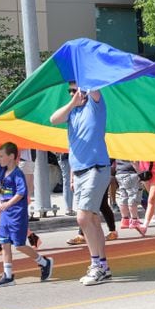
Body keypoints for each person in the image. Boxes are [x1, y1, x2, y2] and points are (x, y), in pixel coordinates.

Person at [50, 81, 112, 285]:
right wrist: (72, 103)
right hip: (79, 173)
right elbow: (53, 119)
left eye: (77, 90)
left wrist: (84, 76)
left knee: (83, 218)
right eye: (70, 91)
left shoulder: (95, 105)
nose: (73, 94)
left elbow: (93, 86)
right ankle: (103, 266)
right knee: (93, 220)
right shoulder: (72, 112)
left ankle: (96, 265)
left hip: (96, 168)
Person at [0, 135, 54, 287]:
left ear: (11, 157)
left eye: (2, 155)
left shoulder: (17, 174)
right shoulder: (2, 172)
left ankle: (44, 262)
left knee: (19, 245)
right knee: (4, 243)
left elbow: (21, 193)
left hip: (16, 214)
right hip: (5, 215)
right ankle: (8, 276)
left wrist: (6, 204)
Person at [114, 159, 144, 234]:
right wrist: (140, 173)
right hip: (130, 173)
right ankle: (134, 220)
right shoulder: (130, 147)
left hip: (120, 172)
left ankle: (125, 220)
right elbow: (133, 161)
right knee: (133, 197)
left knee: (123, 196)